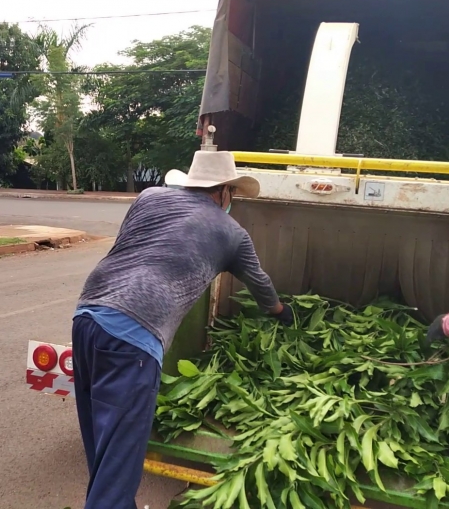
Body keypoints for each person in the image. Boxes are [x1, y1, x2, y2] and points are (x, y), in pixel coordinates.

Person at [72, 150, 294, 509]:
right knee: (119, 462)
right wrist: (281, 311)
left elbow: (137, 247)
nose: (231, 201)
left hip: (88, 313)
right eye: (232, 195)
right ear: (223, 191)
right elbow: (261, 284)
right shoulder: (231, 233)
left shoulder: (149, 197)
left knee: (102, 444)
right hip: (135, 334)